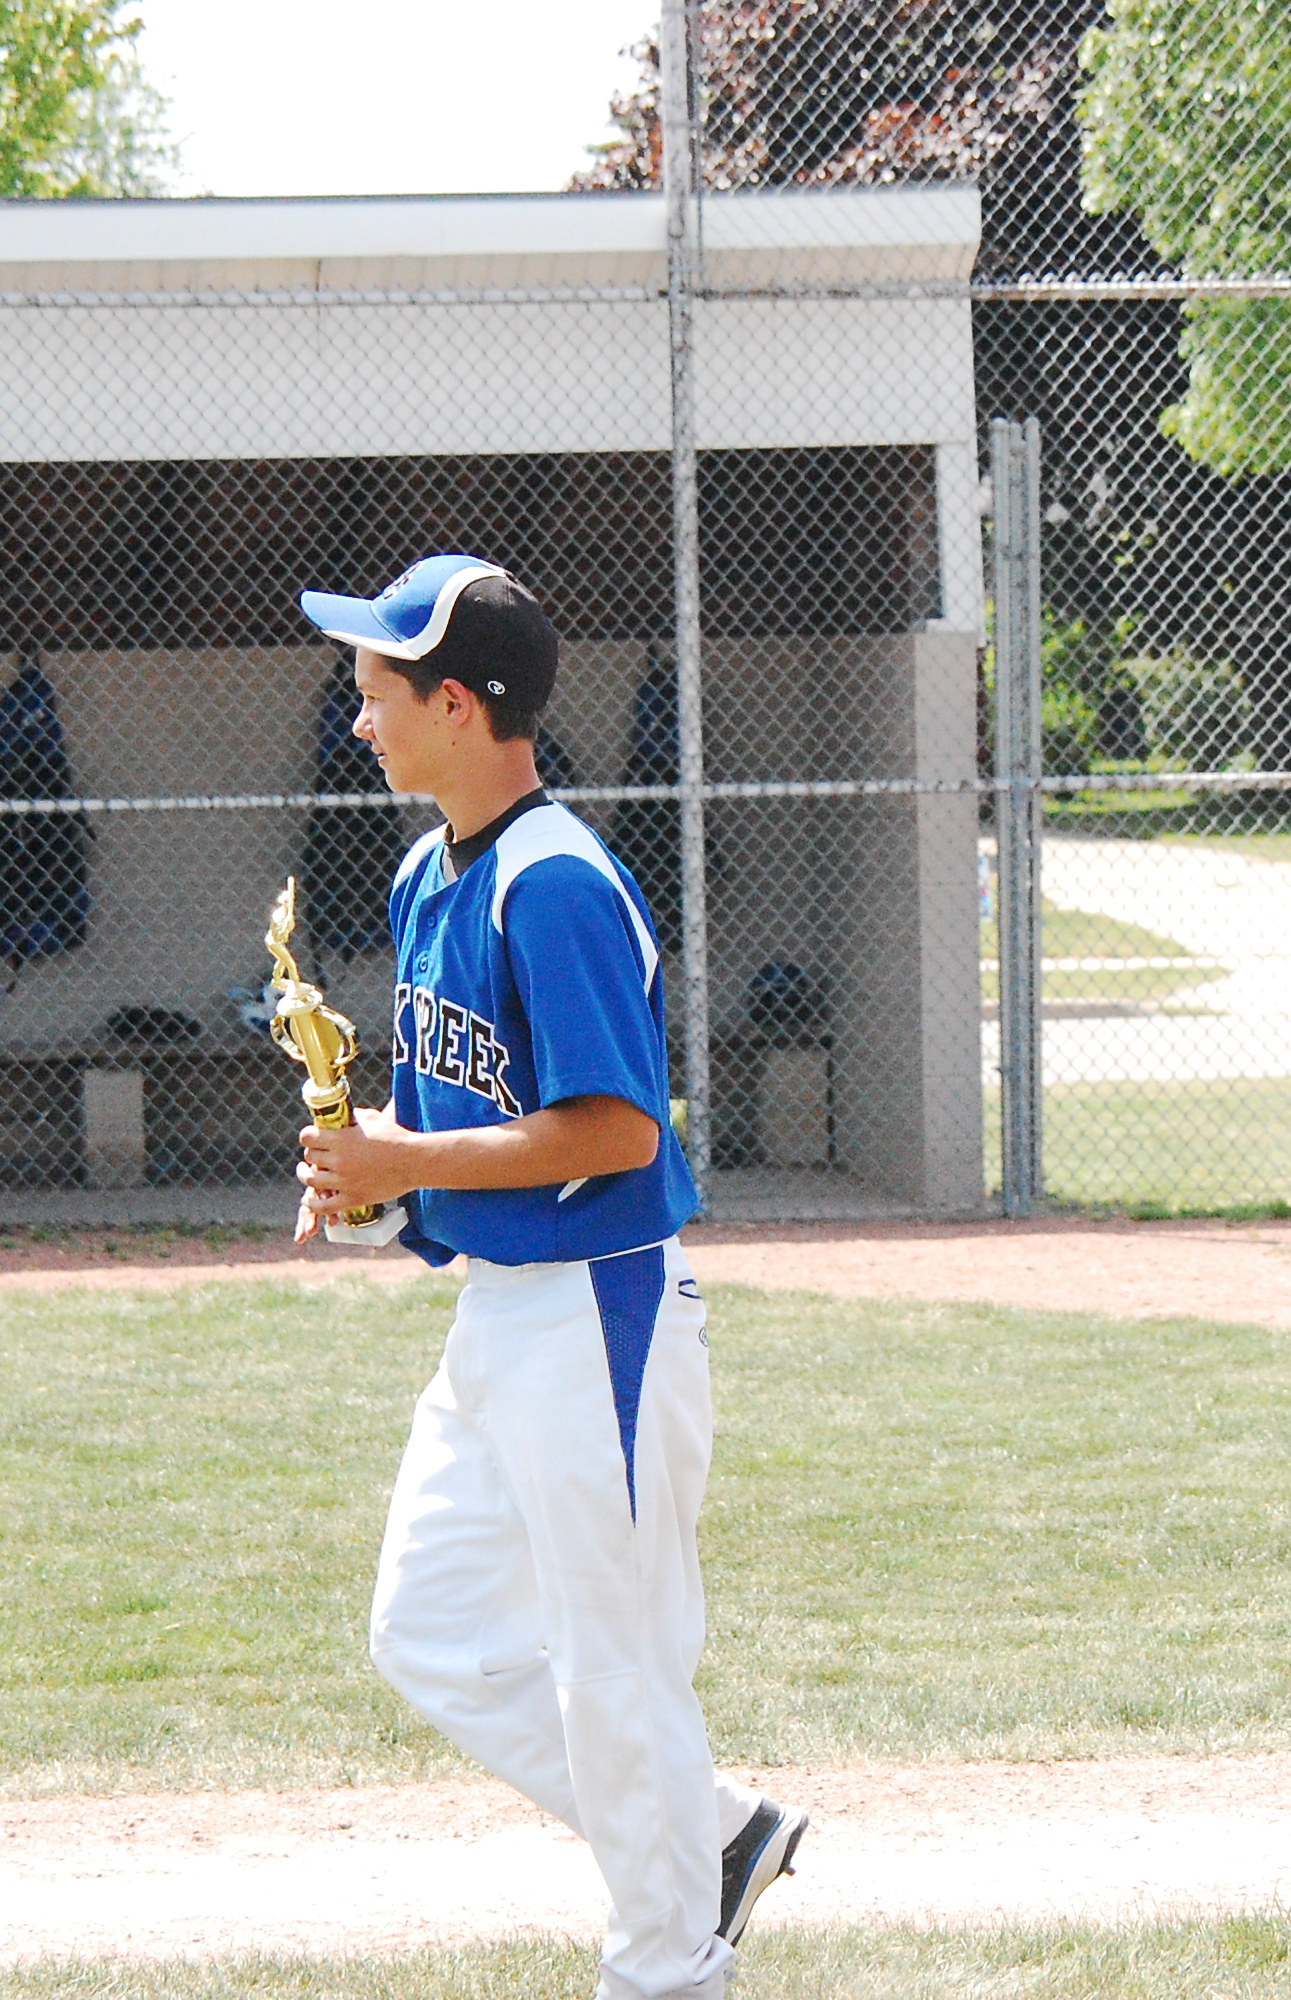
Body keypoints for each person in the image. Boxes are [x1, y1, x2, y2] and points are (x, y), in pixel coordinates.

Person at [291, 554, 806, 2000]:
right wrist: (382, 1188)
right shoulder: (427, 873)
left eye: (380, 692)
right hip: (501, 1313)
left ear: (458, 704)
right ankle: (714, 1834)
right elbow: (458, 1130)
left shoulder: (554, 879)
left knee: (614, 1660)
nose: (361, 721)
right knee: (433, 1635)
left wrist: (412, 1161)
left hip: (601, 1311)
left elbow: (618, 1129)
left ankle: (666, 1969)